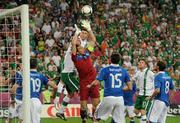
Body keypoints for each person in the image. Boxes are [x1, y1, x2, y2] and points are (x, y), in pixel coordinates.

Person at [10, 58, 57, 123]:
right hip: (36, 101)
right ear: (37, 66)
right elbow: (55, 86)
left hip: (26, 101)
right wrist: (53, 95)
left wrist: (13, 99)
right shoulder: (41, 75)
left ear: (28, 65)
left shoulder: (24, 75)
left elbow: (13, 90)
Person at [71, 20, 100, 123]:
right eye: (80, 46)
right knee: (83, 106)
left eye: (83, 46)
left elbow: (93, 39)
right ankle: (84, 119)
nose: (82, 47)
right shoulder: (75, 57)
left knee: (96, 103)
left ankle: (94, 119)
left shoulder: (88, 51)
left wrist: (89, 29)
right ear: (78, 48)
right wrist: (76, 33)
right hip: (83, 81)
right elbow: (73, 43)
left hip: (93, 79)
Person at [90, 52, 132, 123]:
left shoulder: (105, 69)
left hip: (108, 97)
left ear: (110, 60)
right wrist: (120, 89)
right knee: (119, 121)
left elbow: (96, 82)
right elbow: (130, 87)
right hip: (120, 99)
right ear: (119, 61)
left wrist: (90, 85)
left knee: (96, 117)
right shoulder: (124, 71)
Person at [54, 42, 79, 121]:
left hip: (68, 74)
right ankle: (87, 112)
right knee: (80, 88)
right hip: (68, 74)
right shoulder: (70, 52)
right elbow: (72, 43)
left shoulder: (71, 53)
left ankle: (60, 112)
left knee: (70, 94)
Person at [134, 59, 155, 123]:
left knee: (143, 112)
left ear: (145, 65)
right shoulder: (138, 72)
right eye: (139, 62)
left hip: (147, 95)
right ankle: (144, 121)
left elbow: (155, 83)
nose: (140, 63)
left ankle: (143, 120)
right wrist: (137, 91)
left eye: (142, 62)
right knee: (136, 111)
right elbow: (136, 82)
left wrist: (152, 95)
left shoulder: (150, 73)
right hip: (140, 95)